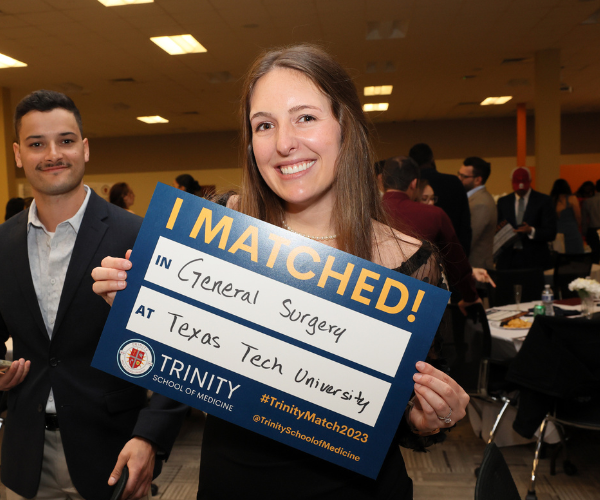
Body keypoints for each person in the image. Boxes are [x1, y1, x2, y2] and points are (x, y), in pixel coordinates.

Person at [92, 44, 470, 499]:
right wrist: (139, 303)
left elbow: (408, 411)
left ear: (345, 126)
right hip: (233, 481)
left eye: (305, 117)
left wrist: (428, 417)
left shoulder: (412, 261)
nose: (284, 142)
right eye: (264, 125)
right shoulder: (217, 228)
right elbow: (191, 354)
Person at [0, 90, 188, 500]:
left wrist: (150, 437)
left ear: (84, 149)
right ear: (18, 154)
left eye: (66, 141)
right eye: (36, 144)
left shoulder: (138, 236)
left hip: (114, 452)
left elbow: (180, 351)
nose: (53, 154)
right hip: (24, 458)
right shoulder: (2, 243)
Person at [381, 156, 480, 310]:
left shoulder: (362, 213)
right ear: (414, 183)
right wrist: (470, 296)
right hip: (419, 305)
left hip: (370, 297)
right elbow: (456, 263)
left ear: (382, 182)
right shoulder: (433, 215)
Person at [409, 143, 472, 257]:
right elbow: (465, 224)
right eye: (425, 199)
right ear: (432, 159)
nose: (431, 203)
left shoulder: (410, 186)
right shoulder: (453, 182)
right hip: (452, 251)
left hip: (420, 254)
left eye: (433, 199)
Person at [496, 167, 556, 270]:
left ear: (530, 181)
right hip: (508, 259)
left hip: (534, 259)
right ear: (512, 183)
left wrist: (531, 230)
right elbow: (497, 226)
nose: (520, 189)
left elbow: (551, 232)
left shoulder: (543, 201)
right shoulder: (503, 202)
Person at [458, 157, 497, 270]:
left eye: (464, 176)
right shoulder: (475, 199)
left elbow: (469, 239)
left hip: (478, 268)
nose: (459, 178)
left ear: (478, 180)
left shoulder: (480, 203)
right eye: (459, 174)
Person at [550, 179, 584, 254]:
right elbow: (578, 217)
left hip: (557, 234)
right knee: (576, 259)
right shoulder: (572, 199)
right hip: (572, 232)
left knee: (561, 259)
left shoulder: (551, 201)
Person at [581, 179, 600, 263]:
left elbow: (584, 220)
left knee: (594, 257)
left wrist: (584, 232)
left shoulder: (588, 201)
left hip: (593, 231)